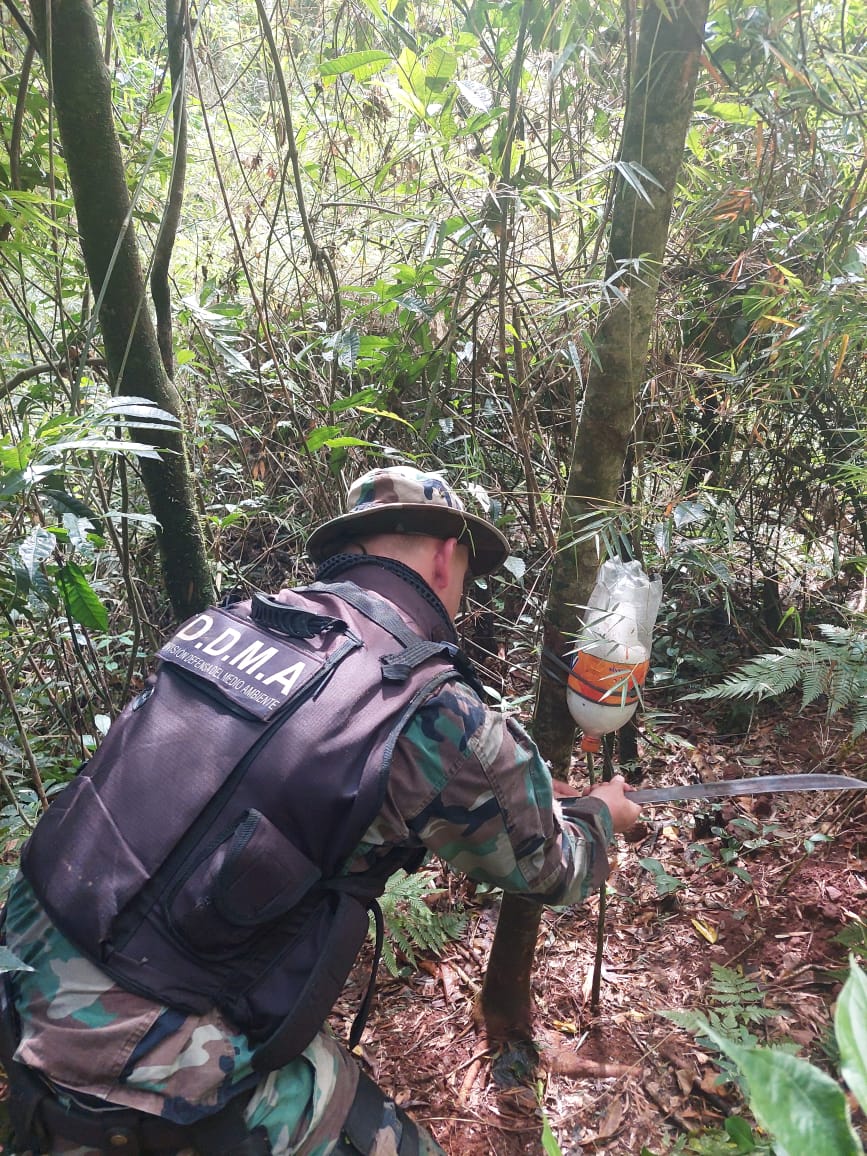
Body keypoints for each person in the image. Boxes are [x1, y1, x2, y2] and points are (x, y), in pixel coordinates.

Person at [1, 465, 640, 1156]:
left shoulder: (230, 623)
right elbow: (550, 869)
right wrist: (602, 815)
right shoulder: (432, 705)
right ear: (443, 556)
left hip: (28, 962)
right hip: (137, 1051)